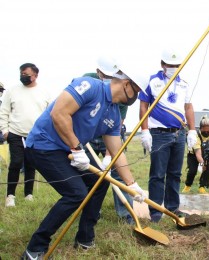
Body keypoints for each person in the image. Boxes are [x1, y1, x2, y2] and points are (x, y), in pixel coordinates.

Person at [21, 63, 148, 259]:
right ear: (126, 83)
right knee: (76, 193)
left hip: (69, 149)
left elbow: (117, 152)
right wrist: (76, 148)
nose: (136, 96)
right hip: (44, 145)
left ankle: (84, 238)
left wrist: (132, 185)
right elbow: (59, 114)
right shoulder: (89, 86)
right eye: (137, 90)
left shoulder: (113, 113)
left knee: (99, 183)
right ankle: (35, 248)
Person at [138, 47, 197, 223]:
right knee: (157, 173)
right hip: (159, 134)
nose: (173, 67)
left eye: (177, 65)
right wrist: (145, 131)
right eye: (170, 64)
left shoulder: (184, 84)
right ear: (162, 64)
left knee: (175, 173)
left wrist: (192, 130)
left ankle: (173, 208)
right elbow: (143, 106)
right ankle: (155, 212)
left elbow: (188, 107)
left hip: (178, 134)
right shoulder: (151, 81)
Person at [82, 56, 134, 225]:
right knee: (89, 174)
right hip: (87, 136)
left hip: (109, 135)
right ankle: (91, 211)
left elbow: (117, 126)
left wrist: (108, 155)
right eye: (105, 75)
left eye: (113, 76)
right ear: (98, 72)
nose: (110, 80)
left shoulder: (121, 89)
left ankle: (126, 213)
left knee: (118, 173)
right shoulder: (88, 80)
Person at [0, 63, 52, 207]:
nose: (23, 76)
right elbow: (3, 112)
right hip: (15, 133)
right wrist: (5, 130)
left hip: (35, 135)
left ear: (35, 75)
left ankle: (28, 194)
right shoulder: (12, 91)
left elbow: (50, 114)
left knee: (31, 165)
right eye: (21, 74)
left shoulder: (44, 92)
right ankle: (10, 195)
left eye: (26, 74)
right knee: (16, 163)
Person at [182, 115, 209, 194]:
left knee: (208, 169)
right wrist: (202, 164)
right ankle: (187, 186)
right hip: (193, 154)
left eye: (208, 131)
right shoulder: (196, 136)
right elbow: (198, 154)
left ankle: (202, 186)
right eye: (204, 131)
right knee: (192, 171)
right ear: (200, 128)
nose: (206, 132)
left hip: (207, 152)